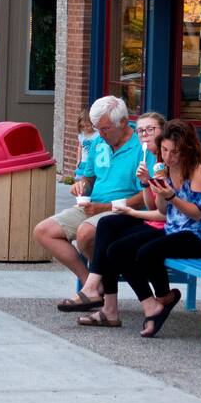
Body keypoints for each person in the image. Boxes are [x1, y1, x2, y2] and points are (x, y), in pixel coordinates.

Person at [77, 119, 201, 337]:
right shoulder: (166, 167)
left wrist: (170, 195)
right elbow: (162, 210)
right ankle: (155, 302)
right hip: (174, 229)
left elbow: (197, 214)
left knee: (145, 252)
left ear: (188, 149)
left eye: (175, 152)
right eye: (165, 150)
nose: (169, 157)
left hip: (200, 236)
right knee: (116, 250)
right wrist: (154, 185)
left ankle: (164, 297)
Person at [57, 111, 165, 313]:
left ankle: (156, 298)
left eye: (150, 130)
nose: (144, 134)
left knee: (111, 242)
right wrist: (146, 183)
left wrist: (131, 209)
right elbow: (155, 205)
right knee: (110, 237)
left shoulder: (161, 159)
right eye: (141, 130)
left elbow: (162, 212)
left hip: (171, 226)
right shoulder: (150, 157)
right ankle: (101, 297)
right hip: (148, 219)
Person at [33, 96, 144, 287]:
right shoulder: (99, 143)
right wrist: (81, 185)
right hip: (92, 206)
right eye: (97, 128)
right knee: (43, 231)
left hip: (123, 211)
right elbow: (89, 177)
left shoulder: (141, 148)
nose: (99, 134)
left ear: (123, 122)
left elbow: (146, 196)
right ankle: (91, 285)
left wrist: (106, 207)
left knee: (85, 234)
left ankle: (100, 281)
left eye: (105, 129)